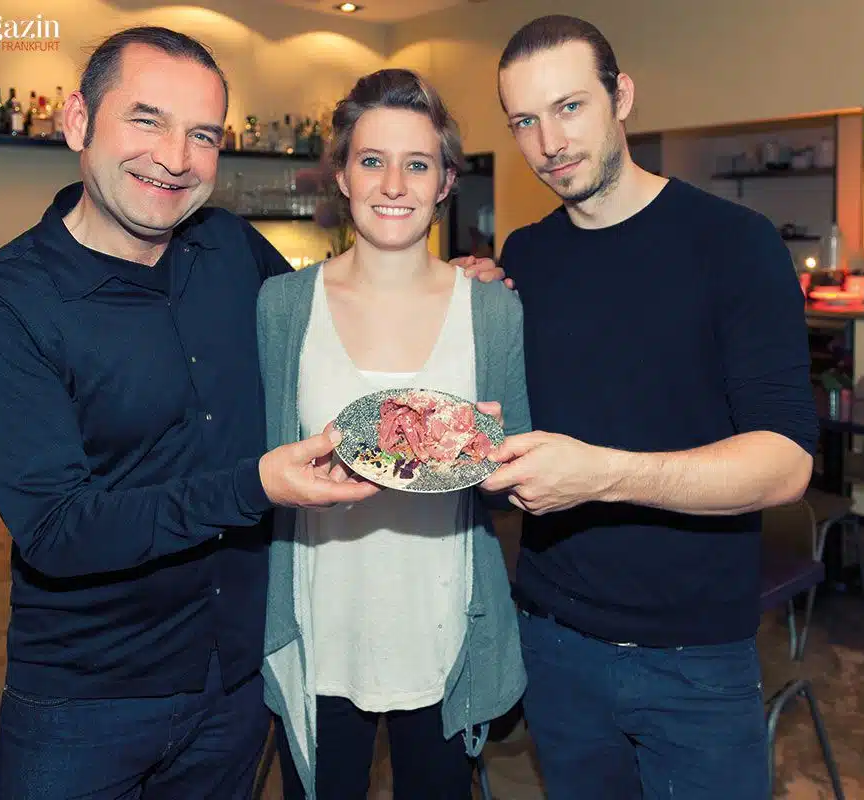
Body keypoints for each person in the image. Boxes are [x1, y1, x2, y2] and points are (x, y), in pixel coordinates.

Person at [0, 27, 502, 798]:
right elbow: (55, 530)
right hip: (89, 700)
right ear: (77, 122)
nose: (174, 157)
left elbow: (336, 318)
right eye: (147, 120)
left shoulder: (233, 252)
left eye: (201, 133)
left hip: (237, 684)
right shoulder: (3, 303)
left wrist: (448, 281)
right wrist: (257, 487)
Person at [479, 14, 818, 800]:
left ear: (620, 96)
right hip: (553, 639)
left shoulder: (735, 243)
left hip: (692, 655)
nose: (548, 142)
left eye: (570, 108)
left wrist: (601, 475)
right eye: (525, 121)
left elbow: (786, 463)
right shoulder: (526, 255)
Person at [257, 68, 530, 799]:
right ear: (342, 175)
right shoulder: (282, 308)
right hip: (321, 627)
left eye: (418, 164)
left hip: (443, 629)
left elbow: (520, 486)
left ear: (445, 182)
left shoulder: (491, 311)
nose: (393, 185)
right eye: (372, 160)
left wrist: (491, 457)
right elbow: (257, 471)